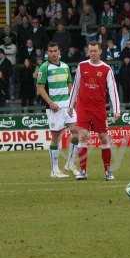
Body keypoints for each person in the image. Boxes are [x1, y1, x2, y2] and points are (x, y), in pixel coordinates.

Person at [68, 41, 120, 181]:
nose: (93, 53)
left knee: (103, 138)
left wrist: (116, 109)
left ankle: (107, 171)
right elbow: (75, 86)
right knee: (83, 136)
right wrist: (70, 105)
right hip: (83, 107)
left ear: (100, 51)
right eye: (90, 51)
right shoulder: (82, 66)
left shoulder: (106, 69)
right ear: (88, 51)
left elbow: (113, 89)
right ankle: (83, 171)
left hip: (99, 109)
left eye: (95, 51)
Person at [36, 42, 79, 178]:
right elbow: (40, 89)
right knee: (55, 138)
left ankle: (70, 163)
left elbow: (69, 84)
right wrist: (50, 102)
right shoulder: (44, 67)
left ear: (59, 51)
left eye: (55, 51)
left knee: (76, 133)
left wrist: (72, 102)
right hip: (54, 107)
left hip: (67, 106)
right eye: (50, 51)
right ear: (47, 53)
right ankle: (54, 170)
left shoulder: (65, 66)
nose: (53, 53)